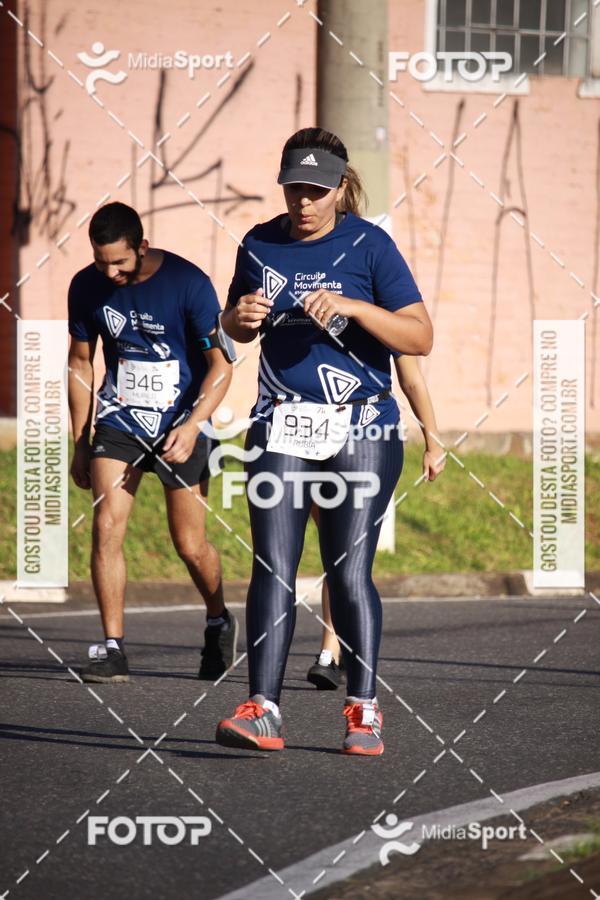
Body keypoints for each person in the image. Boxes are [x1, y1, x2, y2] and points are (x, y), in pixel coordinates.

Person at [215, 127, 433, 755]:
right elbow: (231, 324)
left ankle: (362, 711)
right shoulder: (259, 243)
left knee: (347, 573)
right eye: (293, 190)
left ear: (340, 187)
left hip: (360, 425)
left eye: (315, 190)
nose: (303, 203)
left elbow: (419, 338)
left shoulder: (370, 246)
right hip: (281, 420)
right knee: (272, 567)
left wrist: (356, 308)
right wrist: (239, 320)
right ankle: (263, 709)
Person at [68, 202, 237, 683]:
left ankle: (218, 618)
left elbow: (222, 366)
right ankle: (113, 645)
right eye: (102, 262)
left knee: (190, 544)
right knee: (106, 525)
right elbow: (81, 363)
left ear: (142, 246)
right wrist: (81, 439)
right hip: (119, 421)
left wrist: (193, 425)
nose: (111, 272)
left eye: (120, 261)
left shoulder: (188, 283)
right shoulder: (86, 287)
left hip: (179, 425)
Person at [307, 353, 446, 689]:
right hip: (303, 433)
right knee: (332, 544)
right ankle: (334, 647)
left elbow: (410, 375)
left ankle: (332, 648)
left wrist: (433, 439)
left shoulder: (381, 302)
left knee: (345, 554)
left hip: (365, 436)